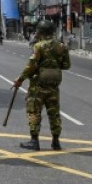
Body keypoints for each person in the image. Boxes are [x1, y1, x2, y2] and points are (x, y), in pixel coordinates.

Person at [13, 20, 71, 151]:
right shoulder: (62, 46)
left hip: (38, 86)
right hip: (53, 85)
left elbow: (31, 65)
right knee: (54, 113)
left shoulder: (38, 46)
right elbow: (66, 65)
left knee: (34, 111)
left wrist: (20, 79)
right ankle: (56, 142)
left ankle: (34, 141)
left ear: (41, 32)